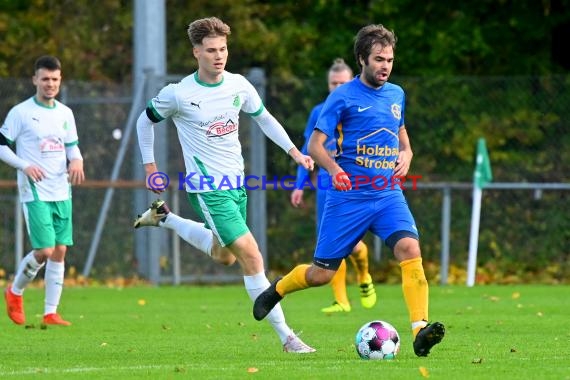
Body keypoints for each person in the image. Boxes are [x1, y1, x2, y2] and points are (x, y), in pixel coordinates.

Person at [254, 24, 445, 357]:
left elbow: (404, 140)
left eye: (389, 59)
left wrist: (407, 155)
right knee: (320, 276)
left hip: (387, 195)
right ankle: (279, 288)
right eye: (378, 59)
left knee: (409, 248)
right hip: (348, 199)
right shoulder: (341, 97)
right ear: (362, 59)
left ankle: (419, 330)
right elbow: (315, 146)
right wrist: (335, 168)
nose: (385, 66)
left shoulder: (396, 94)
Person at [132, 17, 316, 354]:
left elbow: (263, 118)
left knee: (224, 257)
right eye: (212, 50)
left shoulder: (239, 85)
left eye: (224, 49)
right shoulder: (178, 94)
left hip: (237, 185)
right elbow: (145, 121)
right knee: (251, 254)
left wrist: (295, 152)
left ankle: (165, 218)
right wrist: (150, 166)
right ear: (196, 52)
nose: (219, 56)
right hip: (207, 189)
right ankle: (288, 337)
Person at [0, 55, 85, 326]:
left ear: (60, 81)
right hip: (35, 190)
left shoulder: (65, 113)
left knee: (60, 250)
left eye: (55, 79)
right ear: (35, 79)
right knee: (45, 250)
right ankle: (14, 292)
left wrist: (77, 159)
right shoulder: (20, 112)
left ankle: (50, 312)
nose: (50, 84)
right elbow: (2, 146)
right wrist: (24, 165)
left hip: (62, 189)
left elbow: (71, 146)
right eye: (45, 79)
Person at [291, 58, 376, 313]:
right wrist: (299, 185)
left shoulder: (364, 107)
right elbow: (308, 150)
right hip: (327, 187)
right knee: (329, 242)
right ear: (328, 85)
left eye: (342, 82)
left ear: (352, 81)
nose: (337, 87)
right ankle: (341, 300)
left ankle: (364, 275)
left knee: (355, 245)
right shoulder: (319, 111)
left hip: (356, 184)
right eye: (333, 83)